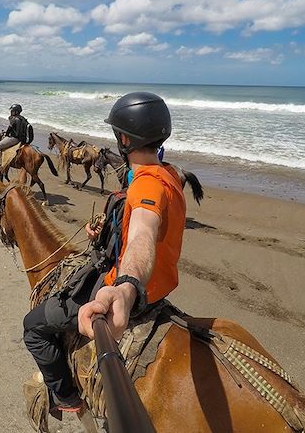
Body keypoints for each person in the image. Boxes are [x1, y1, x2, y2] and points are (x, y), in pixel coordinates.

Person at [22, 92, 187, 412]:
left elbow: (144, 232)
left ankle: (66, 396)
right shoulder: (168, 174)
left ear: (124, 139)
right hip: (162, 285)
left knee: (33, 327)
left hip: (132, 288)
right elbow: (140, 227)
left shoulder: (147, 185)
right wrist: (106, 230)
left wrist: (126, 287)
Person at [0, 104, 28, 174]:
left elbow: (9, 129)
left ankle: (0, 165)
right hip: (21, 139)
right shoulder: (23, 119)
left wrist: (6, 134)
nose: (11, 112)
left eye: (12, 110)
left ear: (16, 111)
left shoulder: (14, 119)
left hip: (14, 139)